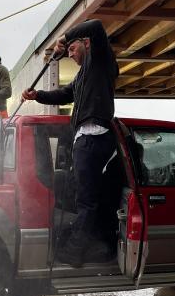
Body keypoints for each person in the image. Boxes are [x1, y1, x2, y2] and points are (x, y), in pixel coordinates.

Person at [22, 19, 119, 267]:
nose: (70, 55)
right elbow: (65, 94)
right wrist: (37, 96)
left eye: (73, 50)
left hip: (94, 138)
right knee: (83, 196)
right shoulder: (83, 75)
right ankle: (90, 243)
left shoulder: (101, 61)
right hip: (84, 140)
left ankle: (74, 253)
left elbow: (97, 25)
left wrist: (63, 38)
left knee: (86, 201)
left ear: (86, 43)